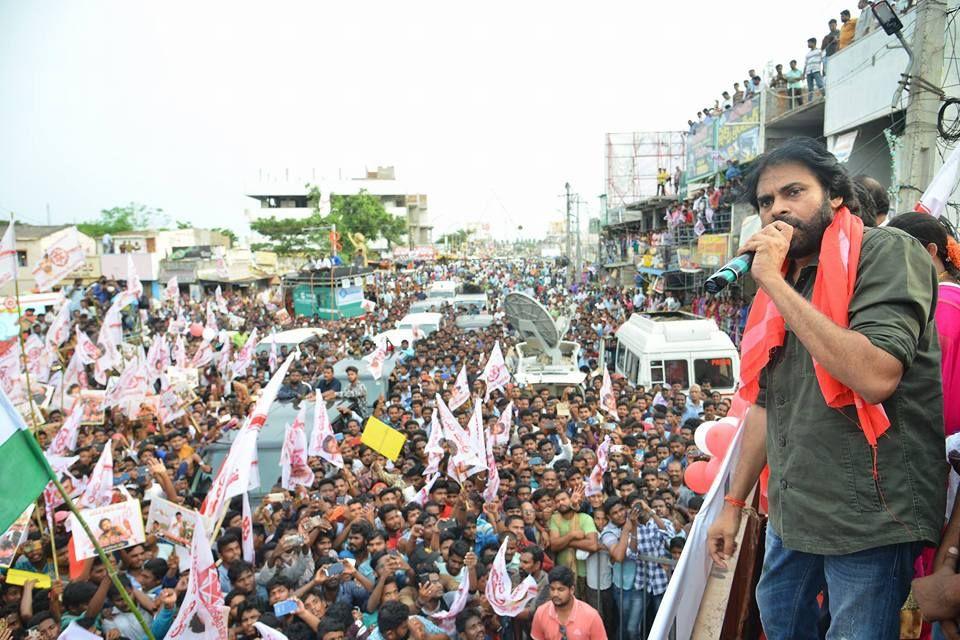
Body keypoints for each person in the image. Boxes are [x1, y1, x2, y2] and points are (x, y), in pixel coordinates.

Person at [707, 137, 946, 640]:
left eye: (793, 192)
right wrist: (734, 505)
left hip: (869, 516)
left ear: (835, 194)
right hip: (795, 513)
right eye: (767, 202)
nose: (777, 209)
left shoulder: (885, 253)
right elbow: (765, 406)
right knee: (780, 617)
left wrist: (771, 282)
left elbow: (876, 376)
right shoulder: (790, 278)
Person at [530, 566, 607, 640]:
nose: (555, 594)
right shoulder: (541, 613)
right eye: (552, 589)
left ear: (572, 590)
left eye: (561, 589)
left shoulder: (591, 616)